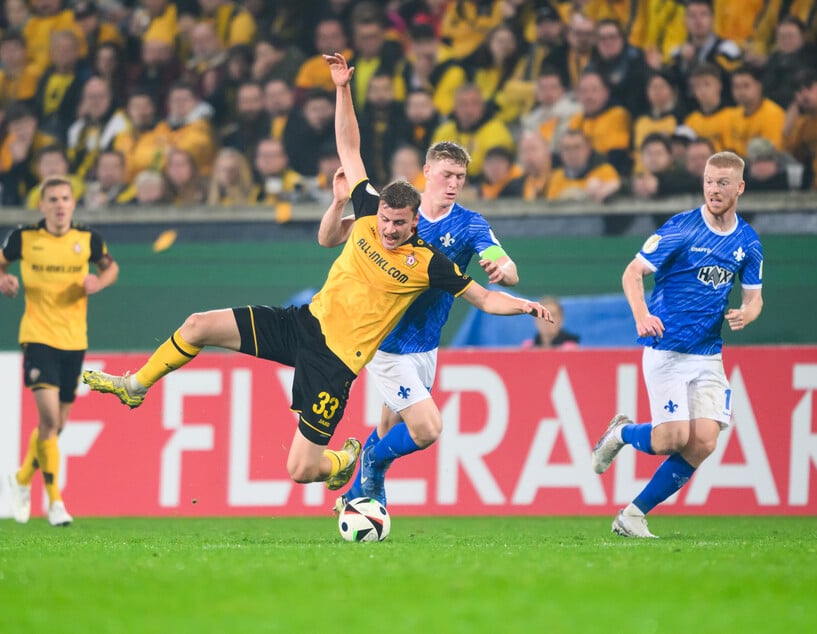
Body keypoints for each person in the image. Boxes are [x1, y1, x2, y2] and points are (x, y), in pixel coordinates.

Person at [80, 82, 551, 498]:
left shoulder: (430, 263)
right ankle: (135, 386)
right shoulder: (366, 211)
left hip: (336, 364)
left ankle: (345, 463)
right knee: (198, 325)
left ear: (414, 226)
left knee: (301, 469)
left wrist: (525, 305)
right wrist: (342, 88)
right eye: (383, 219)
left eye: (397, 224)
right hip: (303, 323)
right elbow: (349, 145)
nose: (387, 229)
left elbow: (485, 298)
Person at [320, 52, 522, 510]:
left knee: (391, 424)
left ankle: (353, 495)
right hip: (384, 342)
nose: (454, 184)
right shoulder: (393, 212)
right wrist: (343, 89)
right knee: (422, 429)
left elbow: (502, 262)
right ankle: (366, 470)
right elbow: (349, 154)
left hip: (425, 345)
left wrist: (503, 270)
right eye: (447, 174)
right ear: (427, 172)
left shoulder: (469, 225)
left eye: (461, 177)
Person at [591, 150, 764, 538]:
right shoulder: (681, 228)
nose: (714, 189)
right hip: (667, 350)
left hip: (708, 354)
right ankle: (620, 433)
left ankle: (633, 515)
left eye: (722, 183)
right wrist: (641, 316)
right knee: (671, 439)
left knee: (702, 442)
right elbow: (633, 272)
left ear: (740, 187)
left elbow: (755, 298)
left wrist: (746, 313)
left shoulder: (748, 242)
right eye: (708, 181)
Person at [0, 176, 119, 526]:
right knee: (48, 418)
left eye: (65, 198)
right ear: (42, 205)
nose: (60, 205)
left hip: (74, 341)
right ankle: (55, 502)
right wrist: (2, 279)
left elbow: (111, 268)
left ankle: (19, 481)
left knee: (56, 426)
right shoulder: (24, 238)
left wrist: (98, 282)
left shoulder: (88, 240)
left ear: (73, 205)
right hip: (37, 337)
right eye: (53, 199)